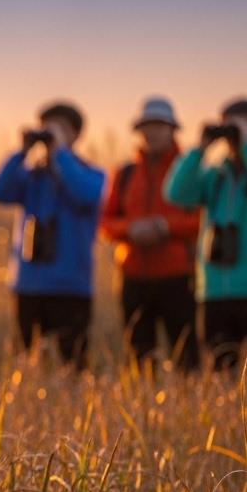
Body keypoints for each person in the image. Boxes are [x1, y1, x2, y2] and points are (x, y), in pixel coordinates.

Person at [164, 98, 247, 370]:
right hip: (215, 293)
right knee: (220, 382)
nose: (233, 132)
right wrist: (199, 149)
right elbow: (175, 193)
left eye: (242, 125)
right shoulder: (214, 177)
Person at [0, 101, 106, 370]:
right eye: (47, 128)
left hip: (71, 286)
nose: (51, 133)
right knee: (25, 363)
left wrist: (61, 154)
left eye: (61, 129)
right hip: (28, 285)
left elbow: (86, 195)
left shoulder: (91, 173)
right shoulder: (31, 176)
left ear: (76, 135)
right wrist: (22, 152)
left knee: (73, 365)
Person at [100, 97, 201, 370]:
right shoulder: (124, 173)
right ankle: (145, 410)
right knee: (138, 359)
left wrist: (165, 227)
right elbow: (106, 223)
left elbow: (201, 220)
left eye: (159, 125)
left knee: (188, 357)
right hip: (133, 277)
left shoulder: (189, 170)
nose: (152, 132)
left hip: (178, 278)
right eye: (147, 125)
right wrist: (130, 230)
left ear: (172, 129)